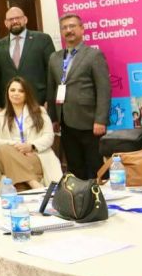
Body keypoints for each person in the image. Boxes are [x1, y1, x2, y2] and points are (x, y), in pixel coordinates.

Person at [47, 13, 110, 180]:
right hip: (66, 122)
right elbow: (51, 89)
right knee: (75, 168)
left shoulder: (94, 55)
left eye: (72, 26)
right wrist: (53, 118)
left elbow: (104, 89)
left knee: (96, 166)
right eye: (64, 27)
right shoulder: (54, 58)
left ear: (82, 29)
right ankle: (80, 196)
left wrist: (101, 120)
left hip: (90, 122)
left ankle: (102, 195)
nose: (68, 30)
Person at [0, 78, 62, 191]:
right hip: (10, 155)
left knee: (17, 180)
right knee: (3, 149)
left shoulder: (39, 111)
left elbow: (49, 136)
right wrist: (18, 147)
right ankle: (33, 183)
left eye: (21, 91)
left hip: (35, 156)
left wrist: (31, 146)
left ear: (27, 94)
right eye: (12, 90)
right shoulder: (0, 116)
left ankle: (27, 184)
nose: (16, 93)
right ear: (7, 93)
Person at [0, 7, 55, 109]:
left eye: (18, 18)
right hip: (9, 105)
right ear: (6, 23)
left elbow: (51, 71)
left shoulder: (43, 39)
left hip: (39, 102)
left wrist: (49, 100)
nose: (15, 21)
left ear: (25, 19)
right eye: (11, 19)